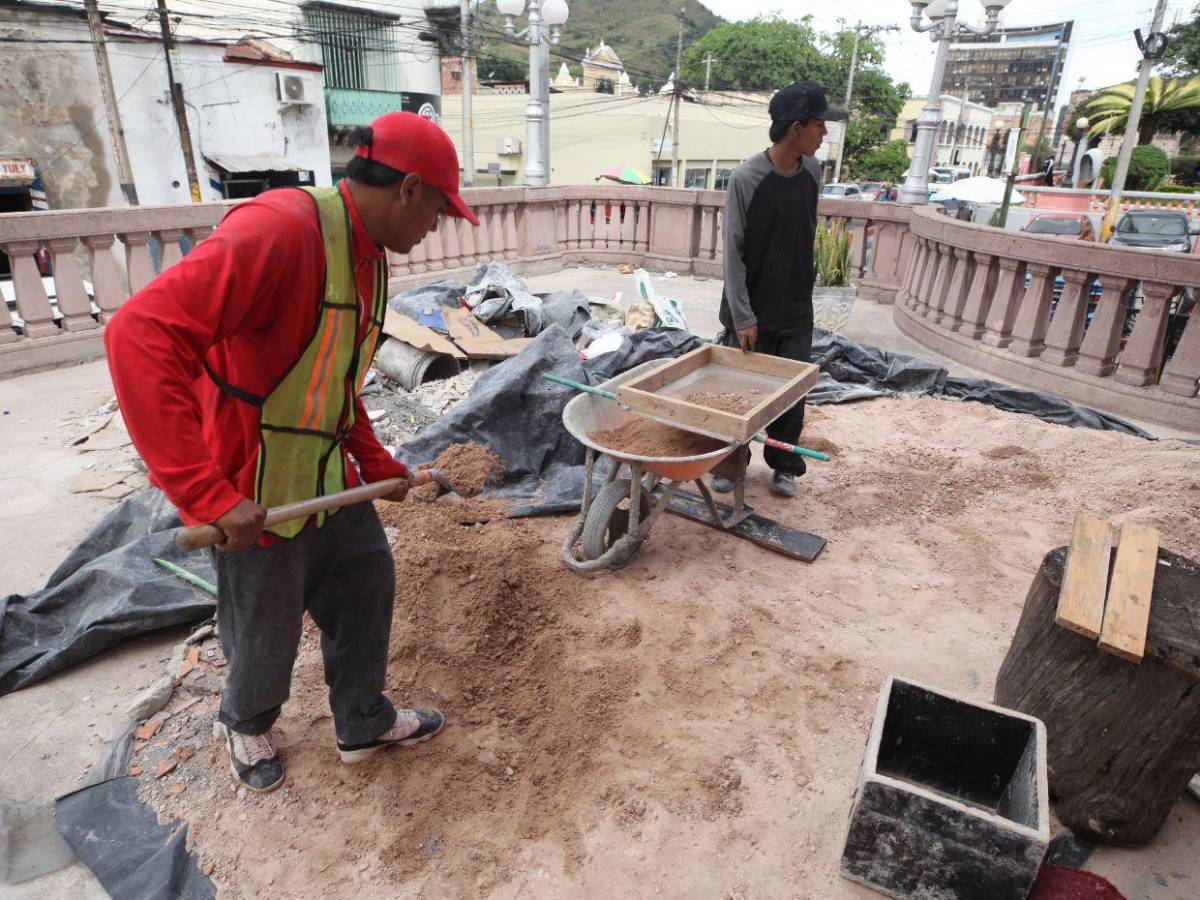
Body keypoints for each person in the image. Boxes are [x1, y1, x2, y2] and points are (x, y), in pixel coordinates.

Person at [104, 112, 479, 793]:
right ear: (409, 190)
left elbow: (336, 380)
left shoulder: (369, 260)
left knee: (367, 580)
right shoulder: (278, 230)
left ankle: (362, 720)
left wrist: (377, 463)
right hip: (254, 483)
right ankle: (245, 720)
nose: (435, 227)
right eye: (438, 211)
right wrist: (207, 494)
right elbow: (138, 335)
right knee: (265, 627)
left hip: (325, 472)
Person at [714, 81, 847, 498]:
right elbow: (733, 254)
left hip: (794, 308)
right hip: (751, 310)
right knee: (740, 392)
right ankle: (729, 463)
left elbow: (801, 234)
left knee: (791, 395)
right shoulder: (746, 179)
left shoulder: (812, 171)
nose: (824, 134)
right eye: (820, 125)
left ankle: (784, 463)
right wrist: (743, 317)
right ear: (796, 127)